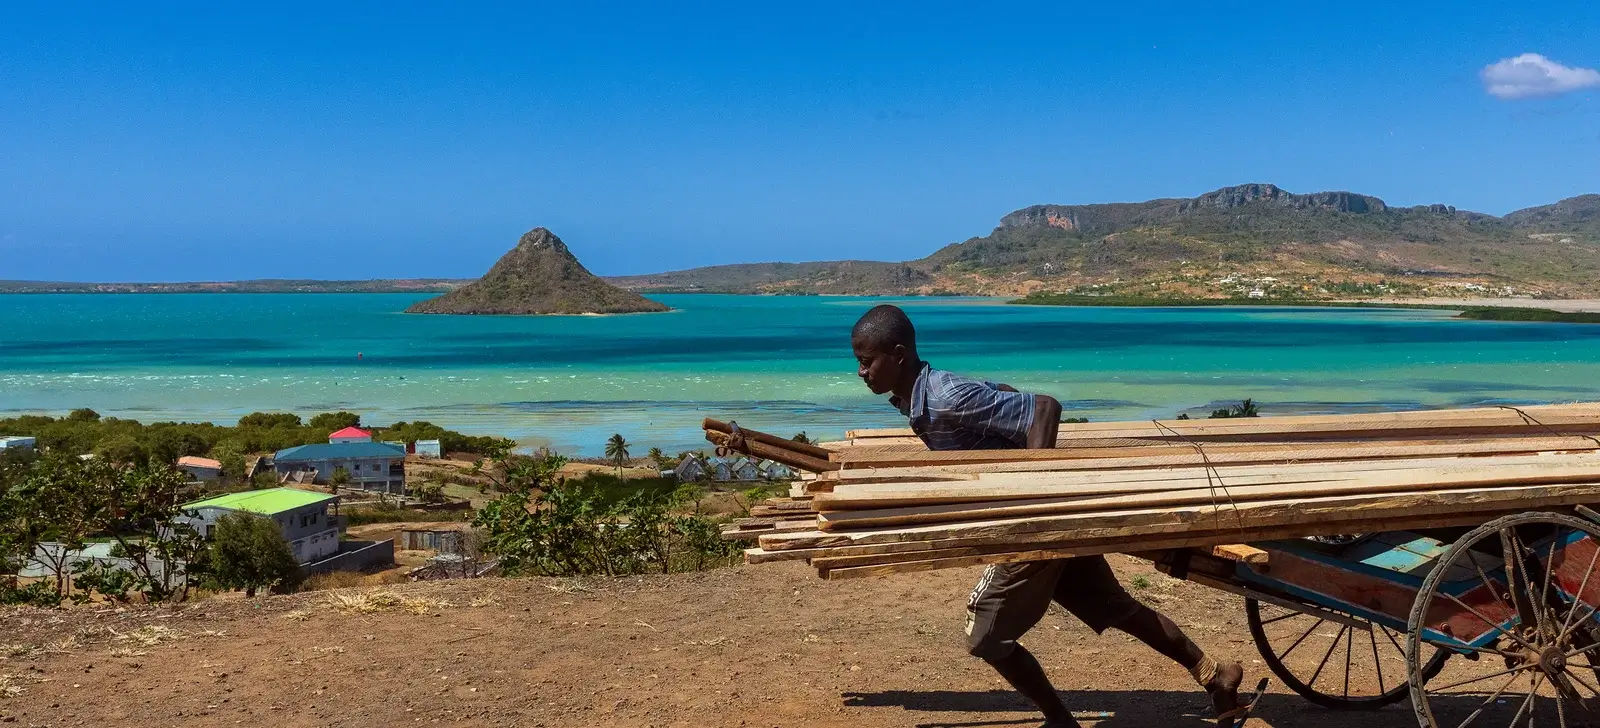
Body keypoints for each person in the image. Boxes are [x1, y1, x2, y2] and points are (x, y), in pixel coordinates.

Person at [850, 304, 1249, 728]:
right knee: (1116, 609)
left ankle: (1061, 722)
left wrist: (1037, 497)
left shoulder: (944, 397)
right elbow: (1001, 392)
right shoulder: (914, 398)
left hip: (1032, 529)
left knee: (984, 638)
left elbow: (1043, 408)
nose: (861, 372)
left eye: (866, 361)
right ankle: (1216, 676)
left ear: (897, 355)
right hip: (1041, 523)